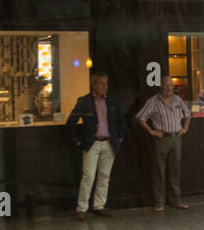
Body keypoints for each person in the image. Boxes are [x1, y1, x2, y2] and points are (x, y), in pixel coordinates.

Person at [66, 71, 123, 220]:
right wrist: (77, 141)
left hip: (109, 143)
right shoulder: (84, 102)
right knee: (88, 176)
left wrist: (120, 137)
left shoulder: (112, 101)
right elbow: (71, 122)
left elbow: (120, 120)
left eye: (106, 83)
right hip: (92, 143)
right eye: (101, 83)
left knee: (104, 176)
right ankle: (82, 208)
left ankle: (99, 206)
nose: (105, 86)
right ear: (93, 85)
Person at [136, 81, 191, 212]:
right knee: (159, 171)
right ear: (161, 87)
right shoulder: (154, 101)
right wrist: (151, 131)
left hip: (176, 138)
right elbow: (140, 117)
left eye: (170, 85)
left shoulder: (177, 99)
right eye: (166, 85)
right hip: (161, 139)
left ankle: (175, 200)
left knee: (175, 171)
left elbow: (188, 114)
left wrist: (185, 128)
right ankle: (159, 202)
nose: (168, 88)